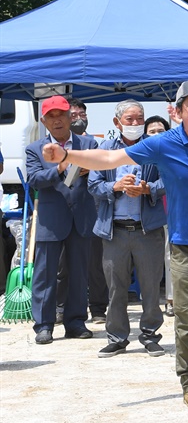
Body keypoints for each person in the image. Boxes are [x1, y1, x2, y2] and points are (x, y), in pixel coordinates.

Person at [44, 79, 188, 410]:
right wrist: (68, 153)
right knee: (187, 317)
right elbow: (109, 158)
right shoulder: (163, 144)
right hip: (185, 246)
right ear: (179, 112)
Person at [87, 99, 167, 358]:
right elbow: (93, 185)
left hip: (148, 230)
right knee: (116, 288)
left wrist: (149, 189)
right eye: (130, 119)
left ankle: (150, 334)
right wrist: (116, 187)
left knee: (151, 286)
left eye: (139, 119)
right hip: (115, 231)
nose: (135, 124)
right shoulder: (106, 149)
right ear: (117, 122)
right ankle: (117, 337)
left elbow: (171, 180)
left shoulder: (156, 147)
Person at [26, 95, 99, 344]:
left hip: (82, 216)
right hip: (51, 219)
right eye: (51, 117)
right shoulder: (35, 149)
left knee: (79, 272)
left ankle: (76, 322)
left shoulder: (88, 143)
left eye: (61, 116)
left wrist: (92, 169)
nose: (57, 121)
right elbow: (34, 180)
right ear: (44, 121)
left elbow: (103, 173)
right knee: (45, 274)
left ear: (71, 117)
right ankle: (44, 325)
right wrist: (59, 166)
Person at [57, 97, 107, 324]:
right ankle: (60, 307)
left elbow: (95, 167)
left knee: (95, 264)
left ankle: (98, 309)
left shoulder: (92, 144)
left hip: (90, 209)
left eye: (82, 115)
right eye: (74, 115)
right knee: (62, 266)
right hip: (61, 211)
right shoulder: (52, 145)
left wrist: (78, 167)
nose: (78, 119)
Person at [143, 116, 173, 317]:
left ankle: (172, 300)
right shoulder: (142, 154)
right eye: (151, 131)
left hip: (173, 211)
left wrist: (151, 188)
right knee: (151, 260)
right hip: (150, 214)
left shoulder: (173, 153)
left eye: (160, 130)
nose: (156, 134)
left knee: (171, 257)